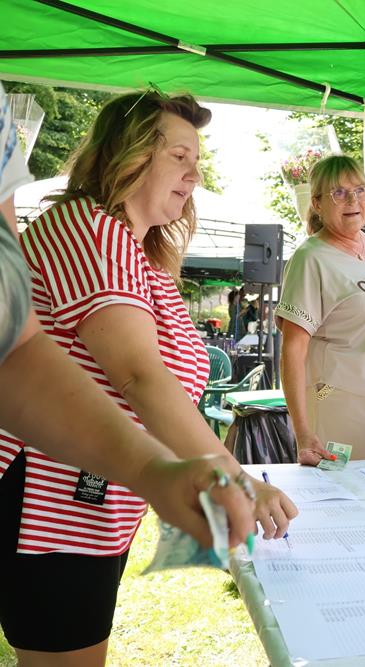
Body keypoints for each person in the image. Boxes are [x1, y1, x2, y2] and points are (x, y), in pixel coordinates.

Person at [0, 88, 295, 665]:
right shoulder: (89, 228)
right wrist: (234, 478)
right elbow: (139, 375)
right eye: (179, 156)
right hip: (49, 500)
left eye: (198, 161)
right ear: (129, 154)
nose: (194, 175)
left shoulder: (135, 250)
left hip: (88, 499)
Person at [276, 155, 365, 464]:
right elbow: (292, 349)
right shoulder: (311, 257)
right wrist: (302, 432)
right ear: (317, 203)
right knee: (347, 503)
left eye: (359, 190)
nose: (352, 200)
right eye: (338, 192)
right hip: (341, 397)